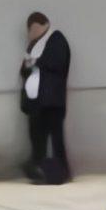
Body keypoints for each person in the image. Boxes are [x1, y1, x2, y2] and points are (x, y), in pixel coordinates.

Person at [19, 12, 72, 184]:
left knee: (56, 138)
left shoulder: (57, 39)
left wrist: (36, 62)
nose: (30, 34)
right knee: (36, 136)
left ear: (38, 26)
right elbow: (24, 68)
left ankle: (62, 172)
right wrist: (30, 64)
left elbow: (57, 63)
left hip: (52, 101)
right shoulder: (33, 45)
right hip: (36, 101)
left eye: (31, 30)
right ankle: (38, 168)